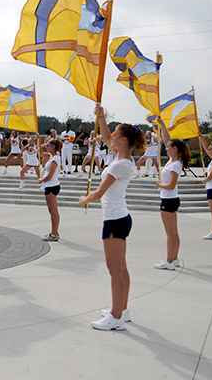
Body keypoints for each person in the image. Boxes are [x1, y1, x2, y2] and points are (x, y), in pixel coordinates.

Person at [79, 105, 145, 331]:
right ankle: (122, 309)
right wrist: (101, 116)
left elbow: (99, 193)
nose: (111, 137)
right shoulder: (121, 158)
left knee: (114, 269)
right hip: (119, 217)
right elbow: (105, 137)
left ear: (124, 140)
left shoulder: (120, 165)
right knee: (121, 268)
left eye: (117, 134)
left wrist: (83, 199)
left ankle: (115, 317)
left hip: (115, 219)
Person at [154, 118, 190, 270]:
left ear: (175, 149)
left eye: (169, 147)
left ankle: (169, 261)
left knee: (170, 233)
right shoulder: (173, 160)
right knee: (173, 232)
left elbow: (171, 185)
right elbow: (166, 138)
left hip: (169, 199)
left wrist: (159, 184)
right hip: (171, 199)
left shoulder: (176, 164)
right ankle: (174, 259)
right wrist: (161, 124)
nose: (166, 147)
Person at [38, 138, 62, 241]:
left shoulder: (55, 158)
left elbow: (50, 175)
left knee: (53, 211)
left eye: (48, 145)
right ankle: (54, 231)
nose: (47, 146)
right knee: (52, 210)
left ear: (53, 147)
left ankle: (54, 233)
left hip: (51, 185)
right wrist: (38, 140)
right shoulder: (52, 156)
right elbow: (40, 153)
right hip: (50, 185)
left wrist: (41, 180)